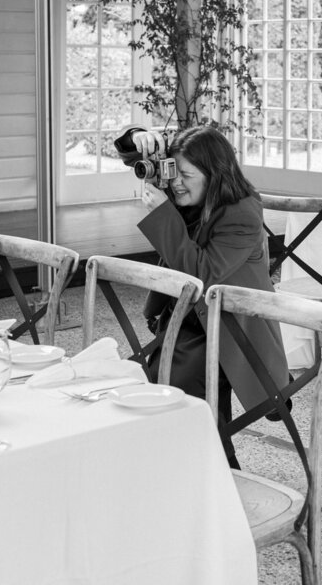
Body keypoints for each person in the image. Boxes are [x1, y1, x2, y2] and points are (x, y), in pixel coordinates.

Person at [115, 125, 288, 468]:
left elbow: (202, 273)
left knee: (178, 392)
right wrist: (138, 137)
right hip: (188, 318)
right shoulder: (194, 195)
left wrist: (161, 215)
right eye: (174, 172)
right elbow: (132, 156)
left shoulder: (241, 213)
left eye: (187, 175)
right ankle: (202, 467)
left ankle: (215, 471)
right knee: (153, 387)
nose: (176, 183)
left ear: (215, 174)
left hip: (231, 329)